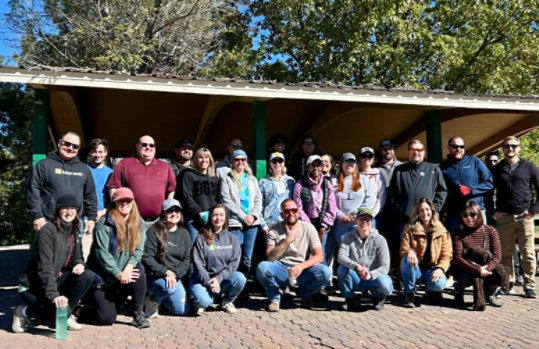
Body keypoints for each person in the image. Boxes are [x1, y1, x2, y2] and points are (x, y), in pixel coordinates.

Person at [12, 194, 94, 333]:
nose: (69, 212)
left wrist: (79, 263)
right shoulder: (47, 231)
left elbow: (77, 256)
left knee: (87, 276)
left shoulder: (74, 228)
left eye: (72, 208)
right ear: (57, 210)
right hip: (34, 286)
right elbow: (45, 268)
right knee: (59, 313)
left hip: (56, 280)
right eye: (65, 208)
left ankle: (64, 314)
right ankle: (24, 311)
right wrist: (53, 295)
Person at [84, 187, 149, 328]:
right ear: (114, 203)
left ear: (133, 202)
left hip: (122, 276)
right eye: (120, 201)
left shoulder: (139, 223)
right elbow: (102, 254)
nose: (124, 204)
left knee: (138, 270)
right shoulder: (104, 223)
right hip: (103, 279)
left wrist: (128, 268)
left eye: (127, 200)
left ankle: (138, 313)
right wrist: (118, 273)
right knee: (107, 318)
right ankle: (77, 311)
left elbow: (138, 250)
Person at [256, 199, 332, 311]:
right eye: (287, 211)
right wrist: (286, 241)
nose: (291, 213)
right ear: (282, 214)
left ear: (298, 212)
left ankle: (304, 295)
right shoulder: (274, 229)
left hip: (302, 270)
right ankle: (275, 299)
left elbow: (319, 256)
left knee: (325, 272)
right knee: (262, 267)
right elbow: (270, 256)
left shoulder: (309, 228)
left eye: (294, 210)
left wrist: (301, 266)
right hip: (281, 268)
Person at [491, 136, 539, 298]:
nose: (510, 149)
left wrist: (533, 211)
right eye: (506, 146)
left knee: (528, 253)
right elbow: (487, 192)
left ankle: (529, 285)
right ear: (502, 148)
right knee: (505, 253)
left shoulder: (529, 167)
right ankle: (507, 283)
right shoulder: (497, 169)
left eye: (513, 146)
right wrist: (493, 211)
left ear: (518, 147)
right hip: (504, 218)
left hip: (524, 216)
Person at [26, 131, 97, 235]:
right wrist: (37, 215)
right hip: (48, 222)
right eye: (67, 144)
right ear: (59, 143)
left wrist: (91, 218)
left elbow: (90, 195)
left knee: (75, 252)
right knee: (47, 252)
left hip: (75, 223)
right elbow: (32, 190)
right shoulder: (44, 165)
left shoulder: (84, 169)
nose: (71, 148)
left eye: (75, 146)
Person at [324, 153, 374, 285]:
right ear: (341, 164)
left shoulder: (364, 180)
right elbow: (329, 202)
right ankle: (345, 286)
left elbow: (370, 199)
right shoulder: (333, 181)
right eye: (346, 162)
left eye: (352, 162)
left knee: (361, 254)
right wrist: (340, 215)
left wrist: (358, 215)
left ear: (356, 165)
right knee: (345, 256)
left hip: (359, 223)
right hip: (339, 224)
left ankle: (364, 284)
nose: (349, 165)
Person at [107, 135, 176, 228]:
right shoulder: (124, 164)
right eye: (144, 145)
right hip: (132, 220)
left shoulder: (164, 166)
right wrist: (117, 211)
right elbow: (113, 187)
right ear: (137, 146)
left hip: (158, 221)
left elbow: (171, 188)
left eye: (152, 145)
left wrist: (168, 208)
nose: (148, 147)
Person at [189, 204, 246, 315]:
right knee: (205, 302)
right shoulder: (201, 237)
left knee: (240, 278)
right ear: (210, 218)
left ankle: (227, 301)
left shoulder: (232, 238)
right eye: (215, 215)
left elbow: (233, 264)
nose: (218, 218)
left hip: (221, 279)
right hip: (202, 280)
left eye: (221, 215)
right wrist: (209, 282)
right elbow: (198, 264)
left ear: (225, 218)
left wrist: (218, 279)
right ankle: (202, 300)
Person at [453, 201, 506, 311]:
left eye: (472, 214)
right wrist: (477, 269)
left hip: (486, 265)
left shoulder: (490, 230)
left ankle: (489, 293)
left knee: (500, 273)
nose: (469, 218)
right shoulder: (458, 232)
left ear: (478, 214)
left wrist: (485, 269)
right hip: (466, 266)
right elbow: (458, 257)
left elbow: (497, 256)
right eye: (465, 215)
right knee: (464, 279)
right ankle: (459, 290)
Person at [337, 208, 393, 311]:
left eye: (367, 219)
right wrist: (356, 266)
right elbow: (341, 257)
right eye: (361, 218)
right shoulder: (347, 237)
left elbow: (385, 267)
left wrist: (370, 275)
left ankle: (379, 297)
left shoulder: (380, 240)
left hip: (373, 278)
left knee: (385, 283)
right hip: (356, 277)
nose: (364, 222)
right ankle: (350, 299)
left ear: (371, 222)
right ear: (356, 220)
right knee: (342, 269)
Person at [399, 198, 451, 308]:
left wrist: (440, 269)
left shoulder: (442, 231)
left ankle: (431, 290)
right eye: (421, 210)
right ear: (418, 212)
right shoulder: (409, 228)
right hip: (415, 269)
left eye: (427, 209)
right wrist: (409, 251)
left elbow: (446, 256)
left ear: (432, 211)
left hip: (431, 270)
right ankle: (409, 294)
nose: (424, 213)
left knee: (439, 284)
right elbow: (403, 249)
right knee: (406, 260)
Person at [142, 199, 190, 317]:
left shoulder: (184, 233)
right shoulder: (154, 230)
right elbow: (147, 257)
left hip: (174, 276)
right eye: (170, 211)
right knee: (169, 288)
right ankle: (152, 300)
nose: (174, 214)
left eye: (177, 210)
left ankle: (162, 302)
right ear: (163, 213)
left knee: (181, 311)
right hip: (155, 275)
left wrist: (175, 274)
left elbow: (187, 259)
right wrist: (165, 272)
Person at [389, 139, 447, 232]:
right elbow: (392, 192)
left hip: (427, 219)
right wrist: (399, 209)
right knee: (406, 246)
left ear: (423, 152)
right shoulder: (399, 170)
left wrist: (433, 209)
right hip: (405, 220)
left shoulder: (433, 169)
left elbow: (442, 191)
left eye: (419, 150)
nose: (416, 153)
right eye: (412, 150)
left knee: (427, 246)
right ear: (408, 152)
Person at [220, 149, 262, 276]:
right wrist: (243, 216)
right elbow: (225, 200)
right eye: (237, 159)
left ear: (246, 162)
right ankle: (234, 285)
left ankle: (244, 289)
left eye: (243, 159)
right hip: (235, 222)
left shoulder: (252, 179)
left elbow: (258, 199)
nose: (240, 162)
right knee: (234, 256)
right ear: (232, 161)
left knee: (247, 258)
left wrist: (253, 215)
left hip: (252, 223)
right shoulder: (226, 178)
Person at [440, 136, 493, 233]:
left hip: (476, 211)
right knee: (456, 245)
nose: (458, 149)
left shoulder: (474, 161)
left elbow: (489, 183)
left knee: (481, 243)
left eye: (461, 146)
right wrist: (441, 216)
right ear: (448, 148)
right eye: (455, 146)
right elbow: (441, 192)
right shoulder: (443, 167)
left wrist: (471, 190)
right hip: (455, 214)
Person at [293, 154, 337, 256]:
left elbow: (332, 207)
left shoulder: (327, 184)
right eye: (313, 165)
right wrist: (309, 226)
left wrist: (324, 224)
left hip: (322, 223)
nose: (316, 168)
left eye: (318, 165)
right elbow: (298, 207)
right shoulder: (300, 184)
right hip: (306, 222)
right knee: (306, 253)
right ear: (308, 167)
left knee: (321, 253)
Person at [178, 147, 220, 245]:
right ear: (196, 160)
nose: (203, 160)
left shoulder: (214, 178)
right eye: (200, 157)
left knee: (210, 247)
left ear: (210, 160)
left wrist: (213, 215)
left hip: (211, 220)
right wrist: (200, 213)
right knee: (194, 247)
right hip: (193, 219)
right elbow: (186, 196)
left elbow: (217, 199)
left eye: (206, 157)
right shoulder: (188, 175)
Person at [85, 138, 113, 260]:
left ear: (106, 153)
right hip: (85, 218)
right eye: (95, 152)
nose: (98, 155)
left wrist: (104, 211)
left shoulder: (111, 173)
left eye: (101, 152)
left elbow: (113, 197)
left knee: (103, 252)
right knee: (85, 253)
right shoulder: (83, 169)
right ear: (90, 153)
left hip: (104, 217)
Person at [259, 152, 296, 235]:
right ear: (270, 163)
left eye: (280, 161)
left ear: (284, 163)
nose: (277, 163)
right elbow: (259, 205)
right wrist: (263, 225)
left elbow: (295, 203)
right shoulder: (263, 182)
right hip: (270, 225)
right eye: (274, 161)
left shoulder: (290, 181)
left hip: (288, 223)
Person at [358, 146, 386, 228]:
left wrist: (372, 213)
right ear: (360, 158)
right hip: (357, 216)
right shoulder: (355, 174)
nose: (367, 158)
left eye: (369, 156)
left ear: (373, 158)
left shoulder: (378, 174)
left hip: (374, 215)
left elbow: (382, 197)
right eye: (364, 156)